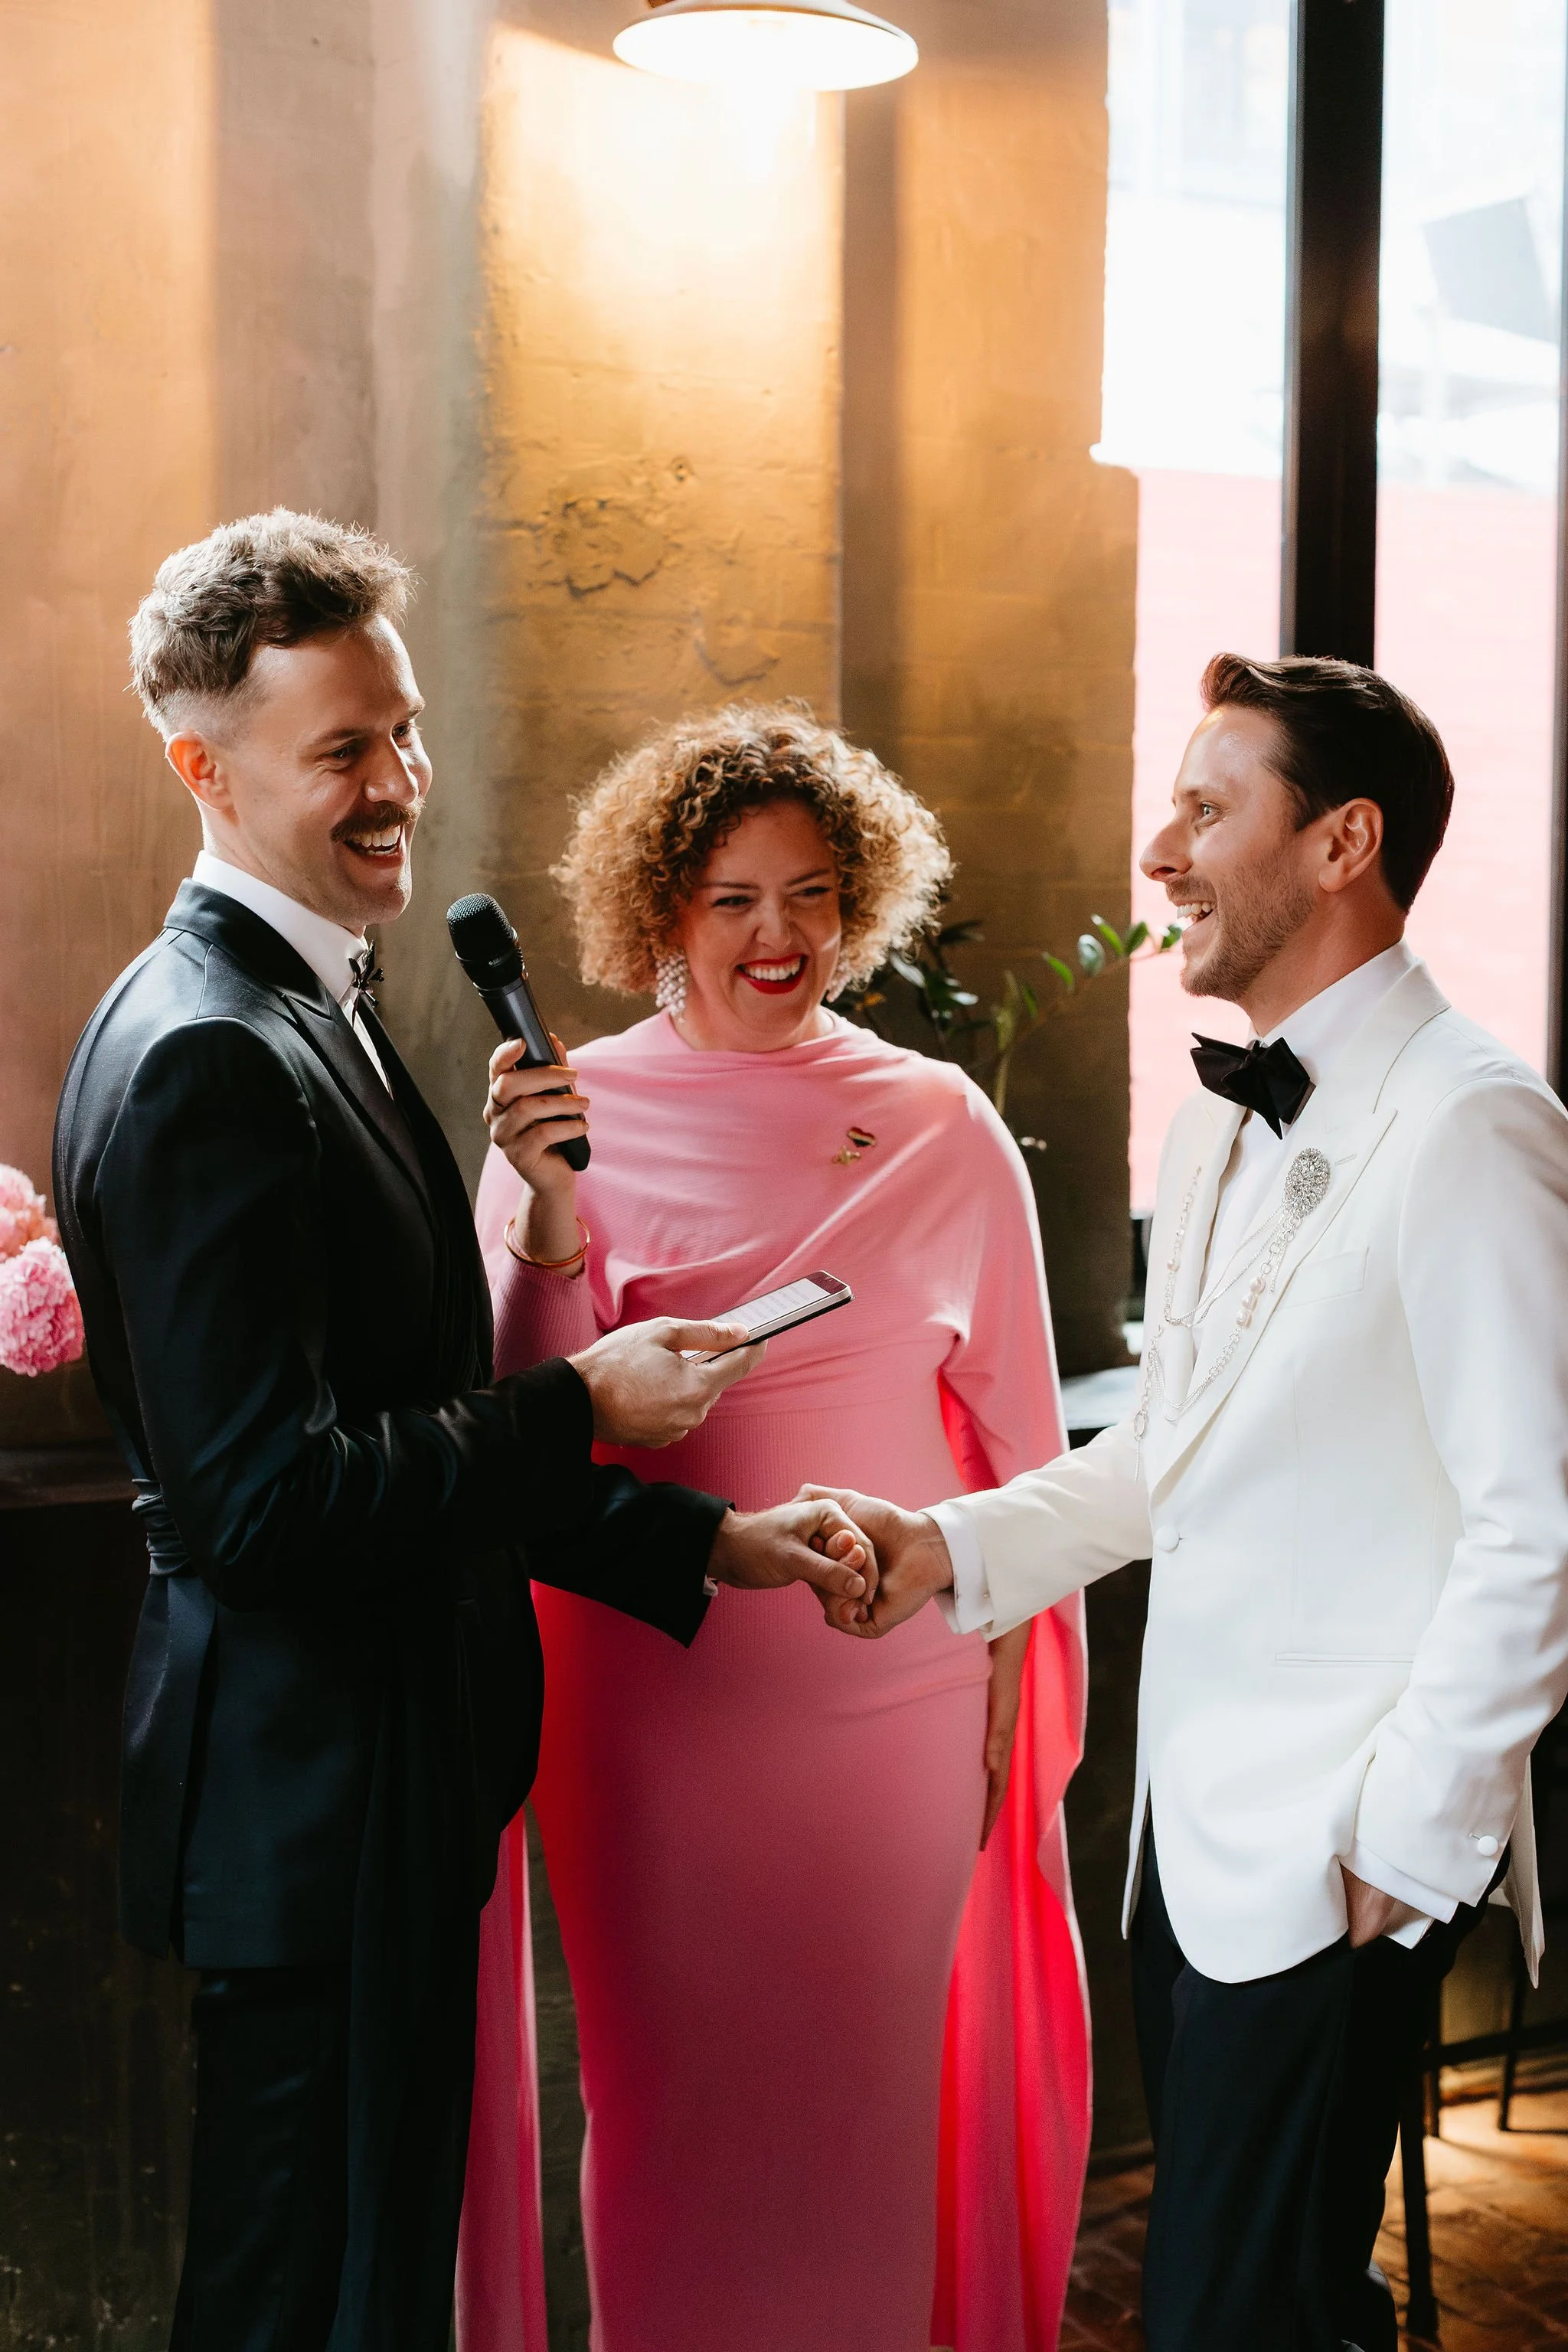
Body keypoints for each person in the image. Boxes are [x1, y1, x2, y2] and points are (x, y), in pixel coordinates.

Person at [51, 514, 874, 2352]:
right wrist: (577, 1399)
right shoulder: (203, 1048)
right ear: (205, 765)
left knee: (360, 2286)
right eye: (343, 748)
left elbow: (393, 1426)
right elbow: (269, 1504)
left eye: (402, 732)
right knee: (300, 2305)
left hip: (369, 1792)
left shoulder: (300, 1004)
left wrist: (690, 1540)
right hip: (313, 1798)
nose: (397, 782)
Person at [812, 654, 1568, 2352]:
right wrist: (952, 1543)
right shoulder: (1212, 1130)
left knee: (1233, 2314)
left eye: (1208, 808)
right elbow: (1177, 1450)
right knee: (1275, 2302)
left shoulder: (1473, 1126)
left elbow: (1541, 1524)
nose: (1159, 852)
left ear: (1339, 843)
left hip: (1337, 1856)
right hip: (1187, 1843)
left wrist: (1404, 1839)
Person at [457, 704, 1091, 2352]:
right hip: (646, 1701)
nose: (778, 935)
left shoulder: (944, 1123)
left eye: (810, 894)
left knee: (863, 2111)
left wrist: (1005, 1672)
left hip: (887, 1693)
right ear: (659, 908)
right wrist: (541, 1214)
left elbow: (1019, 1438)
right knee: (666, 2107)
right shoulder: (565, 1116)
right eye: (734, 897)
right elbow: (519, 1428)